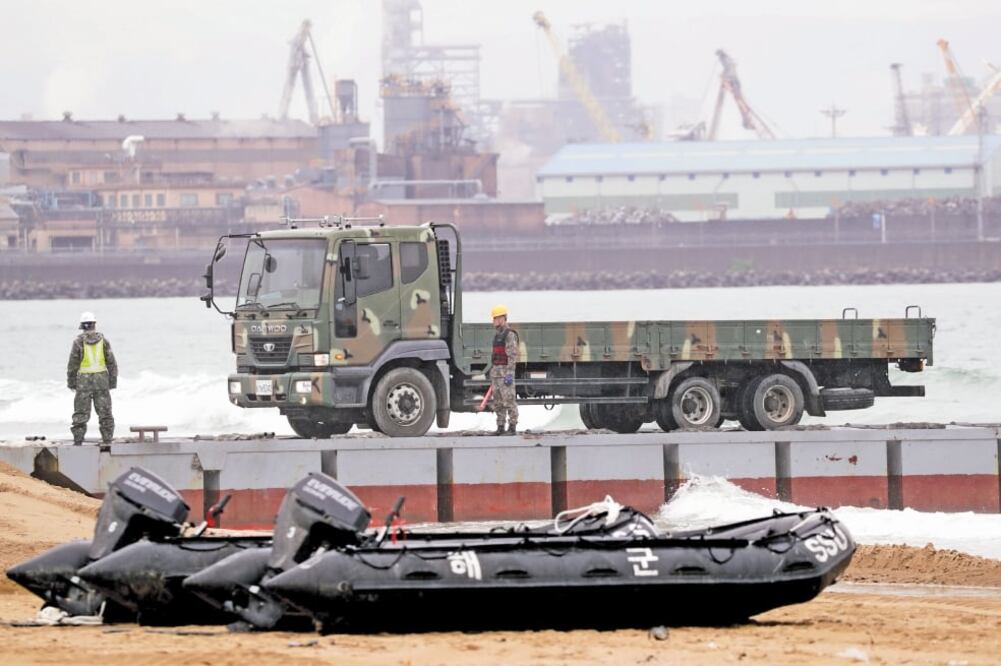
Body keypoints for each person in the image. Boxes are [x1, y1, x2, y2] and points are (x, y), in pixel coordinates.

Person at [67, 312, 118, 445]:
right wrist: (112, 382)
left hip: (83, 382)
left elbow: (73, 364)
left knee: (80, 413)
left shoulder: (78, 342)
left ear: (82, 326)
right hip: (102, 380)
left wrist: (71, 383)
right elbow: (111, 363)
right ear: (94, 324)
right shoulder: (104, 341)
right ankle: (107, 440)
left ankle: (78, 441)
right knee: (105, 412)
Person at [488, 304, 519, 435]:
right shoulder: (497, 335)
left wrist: (509, 374)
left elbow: (512, 355)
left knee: (509, 400)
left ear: (502, 319)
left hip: (505, 373)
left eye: (496, 318)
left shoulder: (509, 335)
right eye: (493, 318)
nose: (494, 321)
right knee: (498, 402)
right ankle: (500, 427)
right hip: (496, 373)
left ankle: (512, 427)